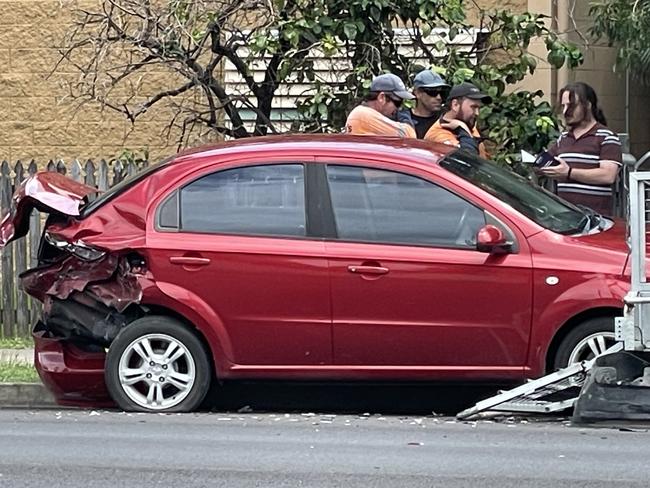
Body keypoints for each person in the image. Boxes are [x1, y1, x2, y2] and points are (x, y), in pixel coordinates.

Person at [540, 82, 622, 215]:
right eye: (563, 106)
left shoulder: (606, 137)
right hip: (566, 218)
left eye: (571, 106)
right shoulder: (564, 138)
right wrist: (537, 165)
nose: (566, 111)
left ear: (588, 105)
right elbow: (547, 162)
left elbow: (608, 176)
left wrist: (569, 173)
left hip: (596, 221)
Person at [424, 82, 491, 157]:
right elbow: (468, 160)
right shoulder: (438, 135)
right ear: (455, 105)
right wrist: (463, 131)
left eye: (479, 108)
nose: (477, 113)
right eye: (473, 107)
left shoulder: (467, 123)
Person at [345, 74, 416, 138]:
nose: (399, 108)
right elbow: (409, 135)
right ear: (381, 97)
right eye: (398, 102)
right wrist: (404, 115)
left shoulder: (361, 112)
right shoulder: (364, 116)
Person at [408, 69, 450, 138]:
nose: (439, 97)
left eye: (442, 93)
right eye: (433, 92)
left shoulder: (446, 117)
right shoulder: (403, 119)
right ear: (418, 93)